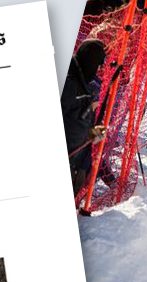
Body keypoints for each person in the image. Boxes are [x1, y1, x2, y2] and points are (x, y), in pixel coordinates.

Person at [62, 39, 108, 195]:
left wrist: (92, 133)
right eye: (98, 65)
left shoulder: (87, 85)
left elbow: (79, 121)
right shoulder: (69, 85)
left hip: (78, 157)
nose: (99, 70)